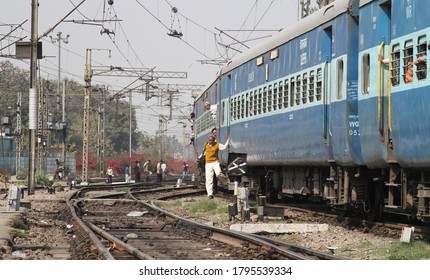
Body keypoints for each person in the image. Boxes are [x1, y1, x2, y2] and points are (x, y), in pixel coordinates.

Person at [201, 135, 231, 199]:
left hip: (215, 162)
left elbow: (224, 147)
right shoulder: (206, 145)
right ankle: (210, 194)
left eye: (212, 140)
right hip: (208, 164)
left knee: (218, 174)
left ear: (214, 140)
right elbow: (204, 153)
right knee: (209, 179)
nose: (210, 141)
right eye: (209, 140)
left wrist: (228, 141)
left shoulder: (217, 144)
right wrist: (199, 158)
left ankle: (227, 182)